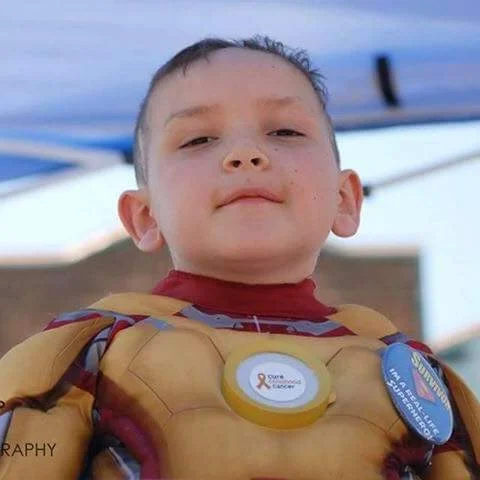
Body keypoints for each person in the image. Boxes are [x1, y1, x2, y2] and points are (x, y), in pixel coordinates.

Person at [0, 36, 478, 480]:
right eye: (198, 140)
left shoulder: (420, 383)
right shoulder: (79, 358)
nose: (246, 153)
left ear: (345, 199)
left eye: (286, 131)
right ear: (144, 216)